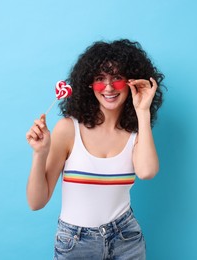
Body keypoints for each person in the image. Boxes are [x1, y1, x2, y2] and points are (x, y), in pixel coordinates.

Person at [26, 39, 164, 260]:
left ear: (131, 82)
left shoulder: (137, 133)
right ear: (88, 84)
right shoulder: (68, 129)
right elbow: (36, 202)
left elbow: (147, 172)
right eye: (100, 79)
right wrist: (39, 153)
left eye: (117, 78)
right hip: (75, 242)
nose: (108, 87)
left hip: (126, 238)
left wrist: (143, 111)